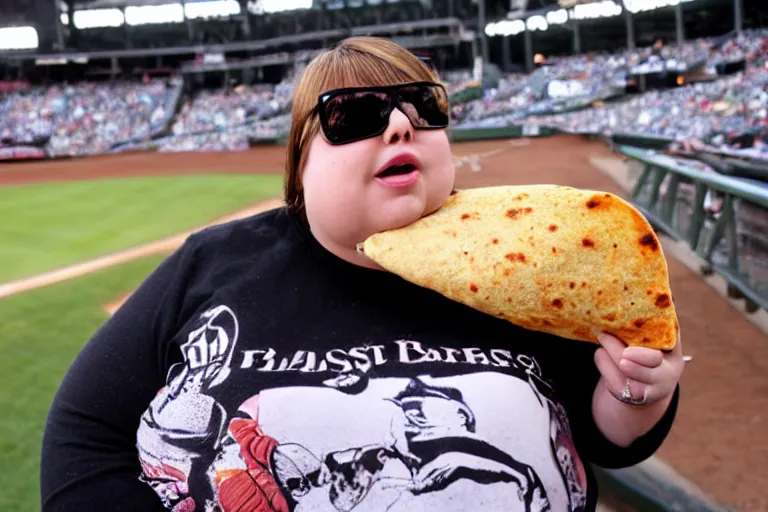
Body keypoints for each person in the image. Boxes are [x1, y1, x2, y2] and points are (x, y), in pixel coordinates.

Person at [41, 37, 684, 512]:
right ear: (299, 165)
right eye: (353, 115)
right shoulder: (210, 265)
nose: (401, 123)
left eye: (423, 107)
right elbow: (84, 434)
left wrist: (639, 393)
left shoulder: (523, 262)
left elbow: (610, 440)